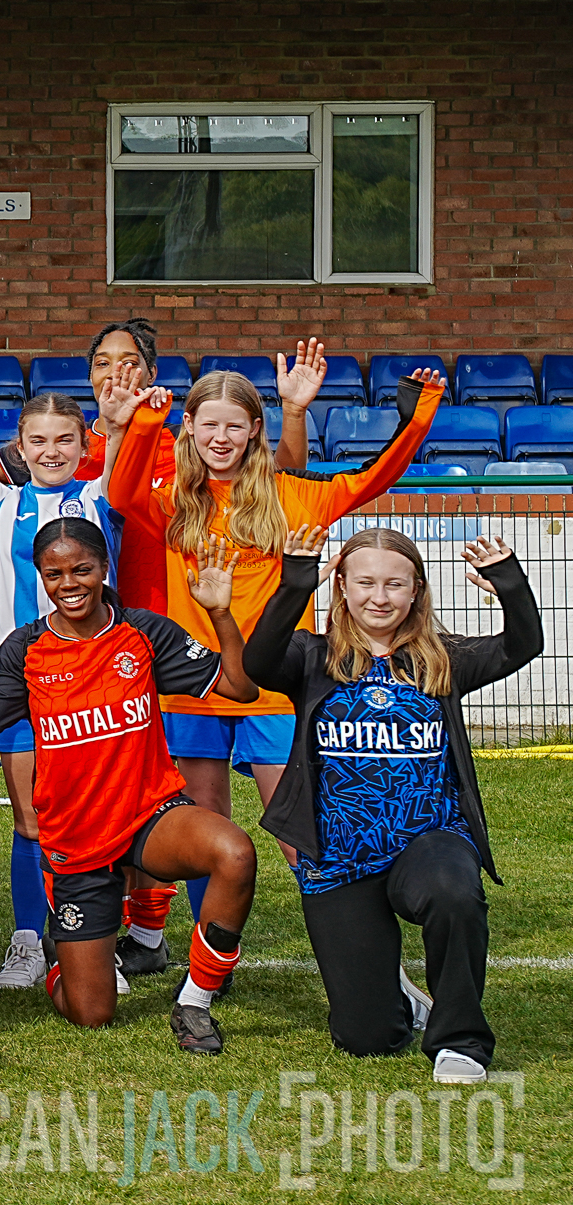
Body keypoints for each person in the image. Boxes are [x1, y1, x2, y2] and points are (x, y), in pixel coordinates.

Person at [106, 362, 439, 965]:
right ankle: (211, 965)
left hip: (275, 693)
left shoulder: (295, 497)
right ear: (189, 427)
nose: (221, 438)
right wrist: (144, 421)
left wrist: (419, 415)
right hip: (195, 687)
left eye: (235, 426)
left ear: (256, 430)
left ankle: (353, 949)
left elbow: (372, 478)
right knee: (208, 834)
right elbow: (120, 496)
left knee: (298, 831)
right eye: (209, 424)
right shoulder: (176, 501)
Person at [0, 519, 262, 1055]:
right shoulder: (26, 649)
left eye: (82, 569)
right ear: (41, 578)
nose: (69, 583)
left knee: (234, 852)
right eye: (55, 574)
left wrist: (220, 613)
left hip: (149, 814)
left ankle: (195, 1002)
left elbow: (240, 688)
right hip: (77, 837)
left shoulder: (142, 632)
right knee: (90, 1014)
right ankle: (61, 955)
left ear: (103, 569)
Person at [249, 527, 540, 1084]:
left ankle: (460, 1041)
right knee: (366, 1038)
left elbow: (520, 645)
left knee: (453, 892)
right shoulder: (314, 659)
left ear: (416, 592)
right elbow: (260, 659)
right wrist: (295, 580)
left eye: (394, 584)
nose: (379, 597)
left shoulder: (440, 659)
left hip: (429, 840)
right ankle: (400, 1006)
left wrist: (508, 580)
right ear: (342, 587)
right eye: (365, 582)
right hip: (338, 856)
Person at [0, 392, 118, 989]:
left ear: (84, 445)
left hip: (95, 682)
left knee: (97, 815)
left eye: (64, 439)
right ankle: (30, 939)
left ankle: (92, 936)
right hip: (24, 683)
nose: (52, 450)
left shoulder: (99, 494)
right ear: (21, 448)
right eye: (39, 440)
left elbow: (130, 461)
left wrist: (126, 415)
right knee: (31, 818)